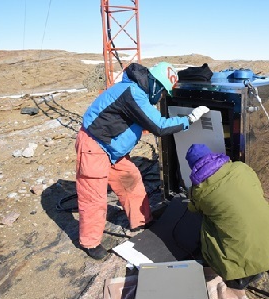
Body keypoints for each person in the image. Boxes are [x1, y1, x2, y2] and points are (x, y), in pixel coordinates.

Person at [76, 62, 209, 260]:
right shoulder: (133, 93)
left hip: (111, 149)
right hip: (94, 146)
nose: (162, 96)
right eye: (163, 90)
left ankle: (141, 221)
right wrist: (189, 119)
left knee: (131, 180)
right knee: (93, 197)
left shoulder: (137, 92)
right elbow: (159, 126)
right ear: (155, 84)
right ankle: (90, 242)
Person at [185, 143, 269, 289]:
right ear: (211, 155)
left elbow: (193, 209)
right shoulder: (240, 167)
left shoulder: (198, 191)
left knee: (208, 222)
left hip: (243, 254)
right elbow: (258, 189)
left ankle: (240, 271)